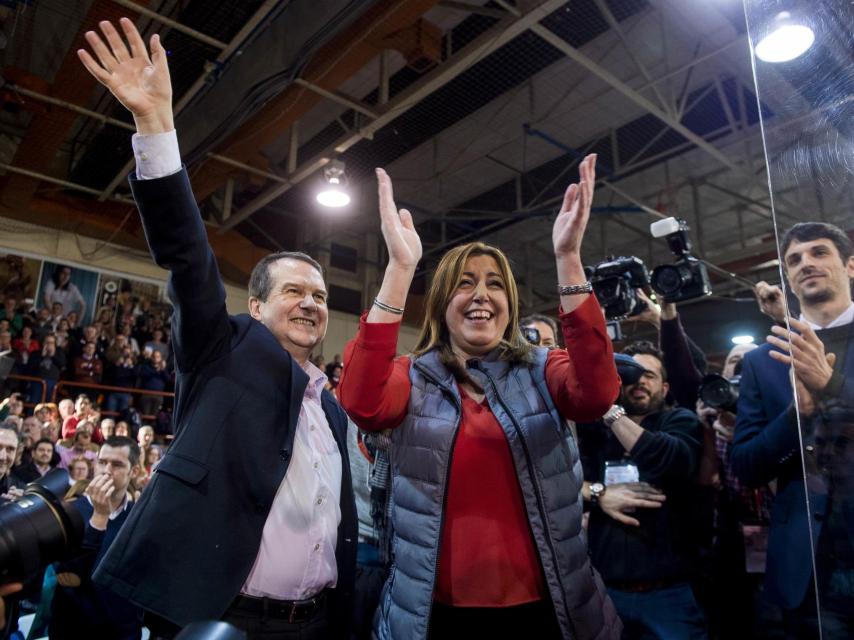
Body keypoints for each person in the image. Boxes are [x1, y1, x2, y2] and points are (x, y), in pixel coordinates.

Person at [78, 19, 356, 639]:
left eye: (319, 295)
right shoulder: (221, 348)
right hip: (220, 622)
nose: (311, 304)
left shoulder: (330, 410)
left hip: (314, 624)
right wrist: (155, 125)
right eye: (293, 292)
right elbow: (189, 258)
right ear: (255, 307)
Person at [339, 154, 622, 639]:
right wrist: (401, 270)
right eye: (464, 284)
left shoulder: (541, 367)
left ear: (509, 305)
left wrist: (568, 258)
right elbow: (363, 403)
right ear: (443, 304)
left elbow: (595, 395)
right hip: (436, 616)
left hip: (547, 613)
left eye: (495, 284)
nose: (481, 295)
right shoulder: (413, 376)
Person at [732, 222, 854, 636]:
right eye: (795, 259)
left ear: (850, 266)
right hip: (805, 567)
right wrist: (796, 414)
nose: (807, 264)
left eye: (819, 252)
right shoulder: (763, 360)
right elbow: (746, 467)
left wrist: (831, 386)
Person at [578, 342, 706, 639]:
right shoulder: (595, 432)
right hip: (607, 589)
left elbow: (669, 459)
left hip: (668, 593)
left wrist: (610, 413)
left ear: (664, 386)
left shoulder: (680, 421)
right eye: (631, 375)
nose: (640, 382)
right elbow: (565, 481)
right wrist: (599, 493)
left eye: (648, 375)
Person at [49, 436, 144, 639]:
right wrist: (99, 518)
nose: (107, 470)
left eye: (117, 464)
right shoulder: (70, 511)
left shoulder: (139, 518)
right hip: (73, 629)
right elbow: (68, 579)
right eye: (102, 462)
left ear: (134, 471)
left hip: (121, 631)